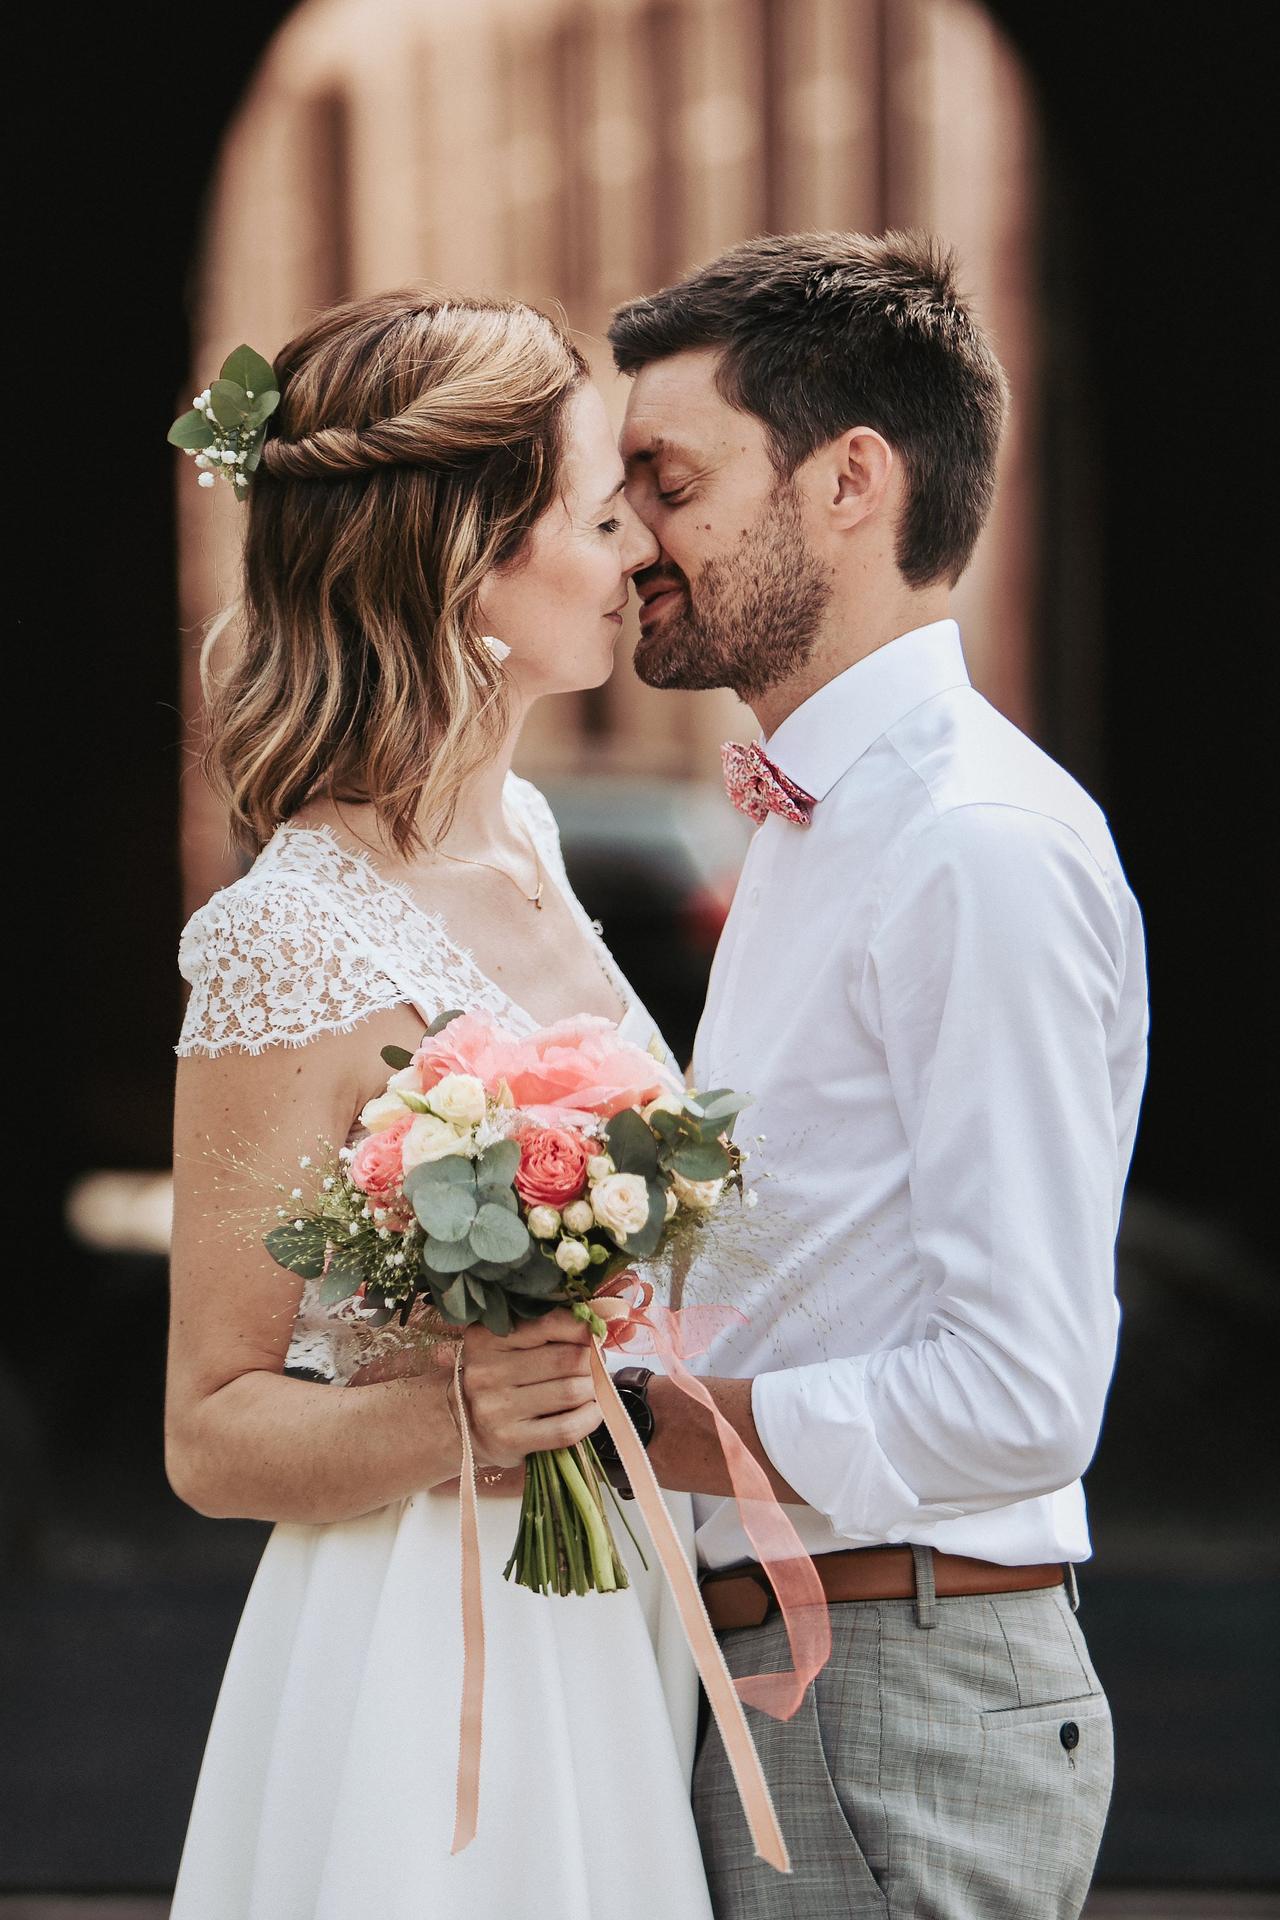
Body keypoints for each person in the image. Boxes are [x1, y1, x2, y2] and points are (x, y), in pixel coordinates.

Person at [605, 231, 1149, 1918]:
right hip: (817, 1671)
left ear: (850, 481)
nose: (627, 535)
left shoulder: (968, 848)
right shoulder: (816, 825)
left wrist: (637, 1427)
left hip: (893, 1687)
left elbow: (1024, 1393)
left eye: (668, 479)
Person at [165, 290, 714, 1919]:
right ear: (475, 564)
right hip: (422, 1646)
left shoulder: (531, 837)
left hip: (609, 1619)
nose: (636, 558)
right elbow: (211, 1426)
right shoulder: (293, 933)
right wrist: (455, 1408)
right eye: (603, 515)